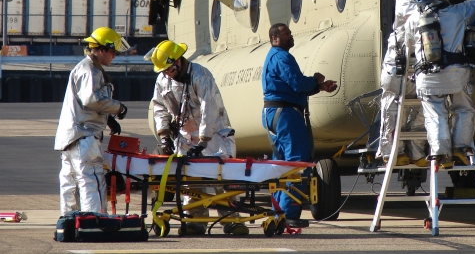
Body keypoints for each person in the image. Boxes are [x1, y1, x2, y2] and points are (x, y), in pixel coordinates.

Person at [148, 40, 243, 235]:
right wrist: (164, 136)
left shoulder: (201, 75)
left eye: (168, 69)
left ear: (178, 62)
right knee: (191, 184)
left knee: (221, 182)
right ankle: (194, 222)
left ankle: (232, 222)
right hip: (185, 138)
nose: (165, 73)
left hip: (214, 136)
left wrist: (203, 140)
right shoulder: (163, 80)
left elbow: (210, 108)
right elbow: (159, 108)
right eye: (163, 70)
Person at [262, 23, 337, 227]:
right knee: (297, 163)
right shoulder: (281, 57)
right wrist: (315, 80)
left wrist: (319, 87)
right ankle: (288, 214)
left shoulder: (273, 57)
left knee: (282, 165)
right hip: (286, 115)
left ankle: (279, 212)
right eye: (286, 34)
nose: (290, 36)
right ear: (275, 38)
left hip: (274, 113)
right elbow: (297, 83)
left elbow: (291, 86)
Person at [405, 0, 475, 166]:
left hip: (427, 77)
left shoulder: (414, 19)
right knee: (464, 110)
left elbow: (408, 45)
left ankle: (440, 153)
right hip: (457, 75)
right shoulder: (458, 12)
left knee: (435, 115)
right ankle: (461, 147)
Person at [54, 27, 130, 215]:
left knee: (71, 182)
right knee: (92, 179)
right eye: (112, 52)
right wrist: (118, 108)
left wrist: (109, 119)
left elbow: (87, 102)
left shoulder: (84, 68)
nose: (114, 57)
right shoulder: (90, 70)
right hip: (84, 136)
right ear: (102, 50)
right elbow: (92, 99)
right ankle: (95, 221)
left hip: (71, 137)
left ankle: (70, 220)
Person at [377, 0, 428, 166]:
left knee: (422, 107)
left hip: (418, 63)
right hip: (398, 64)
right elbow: (415, 17)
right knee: (393, 106)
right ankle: (392, 152)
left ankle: (416, 153)